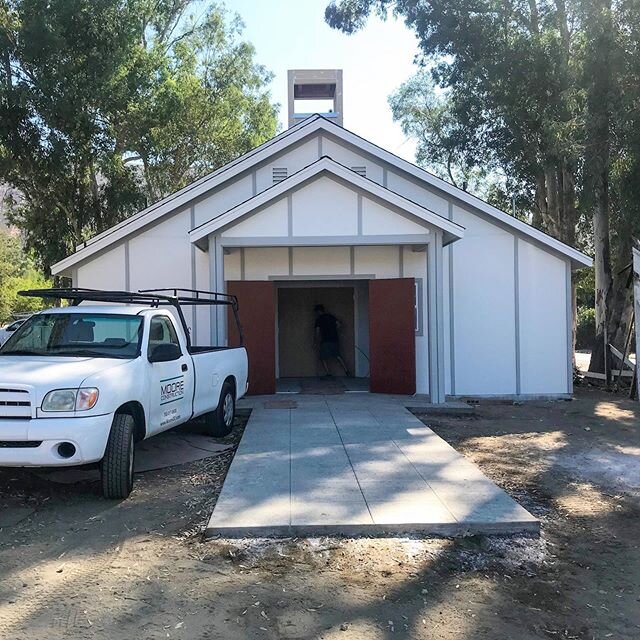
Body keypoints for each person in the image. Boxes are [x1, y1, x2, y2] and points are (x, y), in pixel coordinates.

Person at [313, 304, 349, 377]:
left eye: (316, 312)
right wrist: (335, 329)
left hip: (325, 340)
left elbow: (317, 332)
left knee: (323, 357)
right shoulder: (330, 316)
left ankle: (328, 373)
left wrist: (315, 342)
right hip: (334, 339)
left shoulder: (318, 320)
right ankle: (347, 371)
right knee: (337, 355)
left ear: (318, 311)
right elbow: (339, 324)